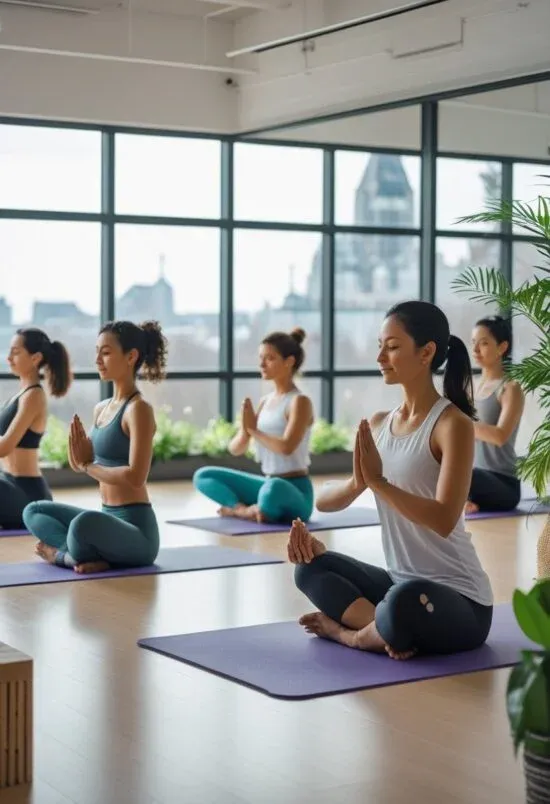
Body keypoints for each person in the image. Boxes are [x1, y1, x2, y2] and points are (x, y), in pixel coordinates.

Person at [288, 301, 493, 660]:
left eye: (393, 346)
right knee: (310, 570)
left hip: (461, 602)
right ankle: (388, 631)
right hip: (399, 582)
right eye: (380, 346)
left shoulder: (452, 425)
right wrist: (359, 482)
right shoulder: (381, 423)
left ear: (426, 352)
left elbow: (445, 518)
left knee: (403, 601)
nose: (381, 356)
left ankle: (353, 635)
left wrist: (379, 482)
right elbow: (325, 501)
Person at [23, 320, 167, 573]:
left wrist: (88, 466)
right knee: (34, 510)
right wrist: (76, 455)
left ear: (131, 356)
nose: (98, 359)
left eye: (106, 352)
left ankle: (63, 556)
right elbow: (84, 463)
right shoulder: (101, 408)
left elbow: (135, 476)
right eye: (97, 351)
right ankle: (86, 555)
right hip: (106, 518)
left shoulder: (139, 410)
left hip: (137, 532)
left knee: (82, 525)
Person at [193, 328, 314, 524]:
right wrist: (245, 430)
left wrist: (254, 431)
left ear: (289, 361)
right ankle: (245, 510)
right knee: (203, 475)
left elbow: (286, 447)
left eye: (269, 358)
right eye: (261, 357)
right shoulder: (265, 402)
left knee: (273, 488)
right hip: (267, 482)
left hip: (295, 490)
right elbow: (236, 449)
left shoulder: (299, 401)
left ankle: (243, 511)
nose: (261, 364)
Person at [0, 328, 71, 530]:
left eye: (15, 352)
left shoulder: (34, 396)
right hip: (8, 482)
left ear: (35, 358)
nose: (8, 357)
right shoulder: (19, 395)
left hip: (26, 493)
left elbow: (4, 447)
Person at [465, 315, 524, 514]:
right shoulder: (470, 388)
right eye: (473, 343)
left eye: (483, 343)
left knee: (462, 474)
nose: (475, 350)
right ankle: (466, 502)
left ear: (502, 347)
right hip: (474, 476)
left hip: (503, 483)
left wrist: (462, 425)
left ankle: (464, 501)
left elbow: (500, 436)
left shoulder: (510, 388)